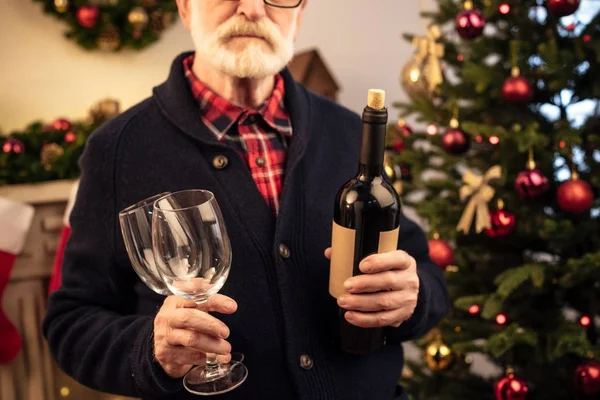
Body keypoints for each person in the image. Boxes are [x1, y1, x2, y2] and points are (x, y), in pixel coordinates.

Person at [42, 0, 450, 399]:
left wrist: (413, 297)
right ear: (184, 7)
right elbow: (71, 323)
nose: (253, 9)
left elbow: (425, 273)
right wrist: (150, 349)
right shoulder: (117, 149)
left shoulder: (347, 132)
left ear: (301, 12)